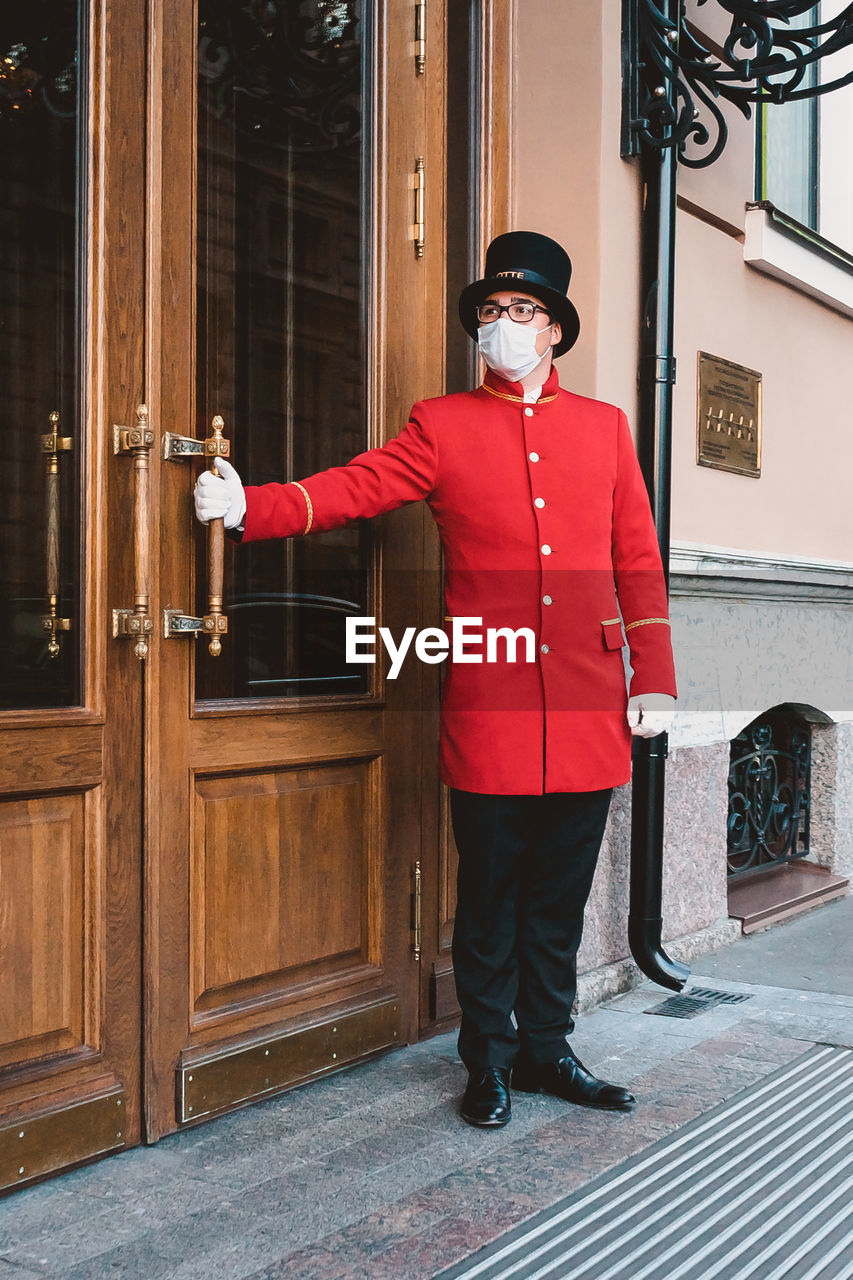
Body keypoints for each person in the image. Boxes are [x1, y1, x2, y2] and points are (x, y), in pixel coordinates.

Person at [194, 231, 676, 1128]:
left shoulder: (605, 428)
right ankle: (487, 1062)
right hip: (488, 700)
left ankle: (546, 1049)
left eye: (522, 311)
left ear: (554, 332)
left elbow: (636, 560)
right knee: (488, 897)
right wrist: (252, 508)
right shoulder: (442, 424)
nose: (503, 325)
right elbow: (360, 485)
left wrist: (653, 679)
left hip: (587, 701)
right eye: (491, 312)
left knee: (557, 898)